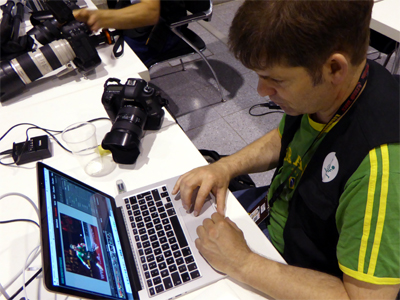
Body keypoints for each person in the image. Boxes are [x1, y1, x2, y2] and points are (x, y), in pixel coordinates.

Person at [172, 0, 400, 299]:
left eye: (275, 80)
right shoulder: (331, 89)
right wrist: (225, 167)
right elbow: (285, 138)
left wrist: (243, 262)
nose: (261, 92)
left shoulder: (381, 168)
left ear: (334, 68)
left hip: (297, 272)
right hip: (273, 217)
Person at [73, 0, 186, 65]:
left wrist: (101, 17)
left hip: (159, 29)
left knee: (120, 66)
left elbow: (150, 13)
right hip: (135, 19)